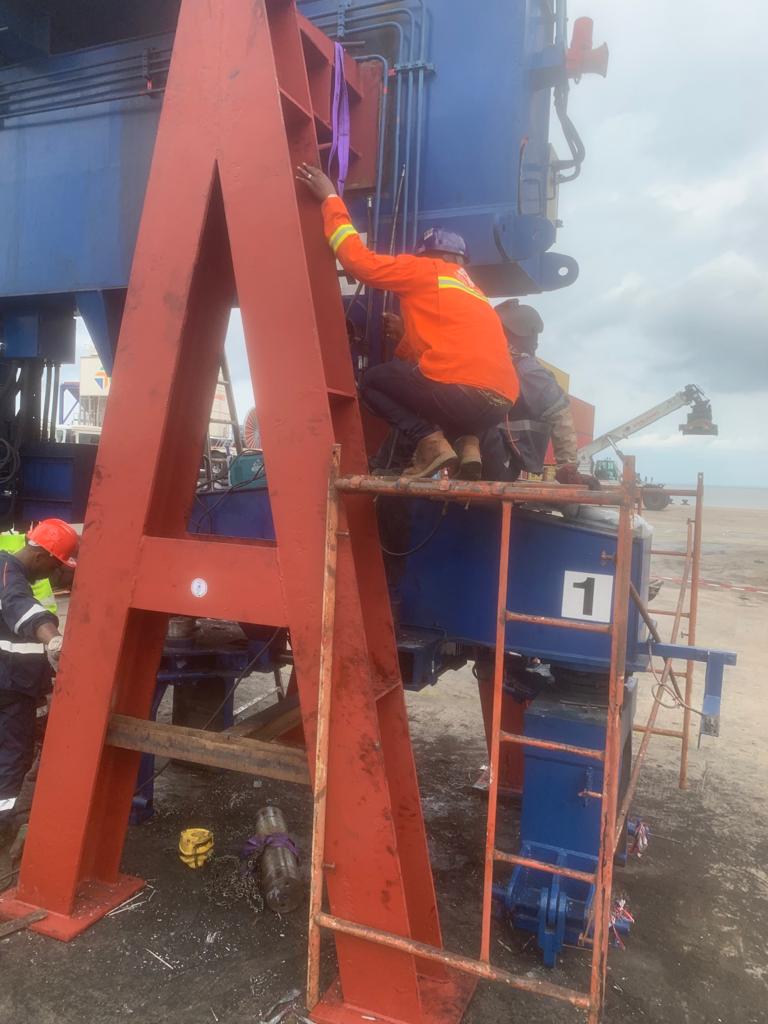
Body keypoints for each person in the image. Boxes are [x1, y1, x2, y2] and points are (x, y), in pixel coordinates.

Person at [296, 163, 519, 478]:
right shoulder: (476, 294)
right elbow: (441, 353)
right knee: (442, 393)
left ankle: (430, 444)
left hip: (462, 392)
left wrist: (330, 199)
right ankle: (468, 446)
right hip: (500, 402)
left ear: (427, 255)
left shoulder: (426, 269)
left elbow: (359, 262)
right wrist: (405, 335)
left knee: (373, 382)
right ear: (460, 259)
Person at [0, 519, 78, 854]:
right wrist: (54, 640)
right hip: (9, 686)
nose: (53, 574)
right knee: (13, 754)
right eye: (55, 565)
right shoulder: (8, 573)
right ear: (41, 555)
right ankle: (1, 825)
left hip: (17, 682)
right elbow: (19, 606)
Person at [481, 300, 601, 487]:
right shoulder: (507, 367)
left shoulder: (525, 370)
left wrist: (567, 468)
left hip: (501, 460)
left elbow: (560, 414)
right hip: (497, 458)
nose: (536, 343)